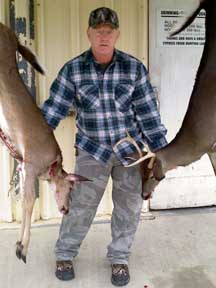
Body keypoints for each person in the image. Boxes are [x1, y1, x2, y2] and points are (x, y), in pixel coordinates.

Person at [41, 6, 167, 287]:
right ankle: (65, 253)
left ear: (117, 34)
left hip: (129, 154)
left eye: (108, 32)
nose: (103, 36)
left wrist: (162, 154)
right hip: (91, 151)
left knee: (128, 207)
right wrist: (32, 141)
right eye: (98, 31)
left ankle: (120, 258)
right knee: (81, 207)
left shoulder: (134, 68)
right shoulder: (73, 69)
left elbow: (148, 114)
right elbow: (51, 113)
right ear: (89, 33)